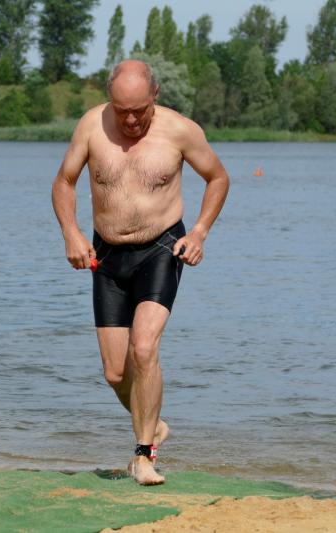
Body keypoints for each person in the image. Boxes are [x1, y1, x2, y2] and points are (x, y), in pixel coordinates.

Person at [51, 60, 230, 485]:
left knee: (144, 348)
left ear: (156, 94)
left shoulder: (180, 130)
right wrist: (71, 233)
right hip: (107, 254)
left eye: (138, 111)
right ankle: (154, 423)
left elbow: (218, 178)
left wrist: (199, 232)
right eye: (121, 111)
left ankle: (144, 455)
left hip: (161, 248)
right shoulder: (91, 126)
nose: (130, 121)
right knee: (116, 372)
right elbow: (64, 182)